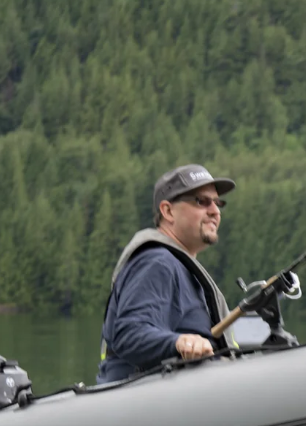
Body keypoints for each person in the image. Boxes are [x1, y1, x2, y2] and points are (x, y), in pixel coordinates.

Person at [95, 164, 240, 384]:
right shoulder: (157, 263)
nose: (215, 211)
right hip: (142, 399)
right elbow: (129, 333)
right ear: (168, 211)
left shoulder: (178, 266)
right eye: (202, 201)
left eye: (217, 203)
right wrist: (180, 342)